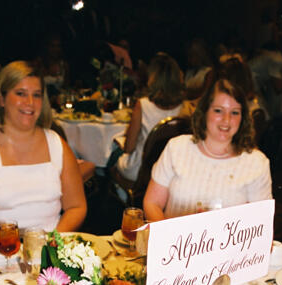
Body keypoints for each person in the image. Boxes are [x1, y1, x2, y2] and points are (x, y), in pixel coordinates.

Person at [0, 60, 87, 248]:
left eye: (37, 95)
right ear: (1, 99)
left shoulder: (57, 144)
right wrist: (15, 246)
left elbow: (76, 206)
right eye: (20, 94)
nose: (30, 103)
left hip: (50, 250)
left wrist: (52, 241)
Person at [143, 78, 272, 221]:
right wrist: (170, 236)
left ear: (243, 118)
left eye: (235, 112)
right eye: (218, 111)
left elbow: (261, 223)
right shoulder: (177, 148)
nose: (226, 120)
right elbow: (152, 203)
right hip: (174, 242)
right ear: (204, 112)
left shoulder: (256, 163)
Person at [115, 52, 184, 182]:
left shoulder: (143, 105)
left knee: (113, 157)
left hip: (143, 171)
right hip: (173, 172)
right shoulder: (186, 108)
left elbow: (129, 148)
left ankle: (123, 197)